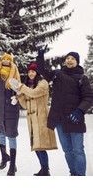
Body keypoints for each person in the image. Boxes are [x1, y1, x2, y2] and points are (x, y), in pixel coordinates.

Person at [36, 48, 93, 176]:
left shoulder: (82, 78)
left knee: (78, 150)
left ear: (77, 62)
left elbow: (89, 98)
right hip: (59, 120)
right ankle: (73, 173)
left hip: (75, 119)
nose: (69, 60)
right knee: (67, 150)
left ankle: (80, 176)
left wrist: (79, 111)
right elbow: (42, 72)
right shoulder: (57, 74)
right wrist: (40, 57)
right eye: (68, 58)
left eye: (72, 58)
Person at [9, 62, 57, 176]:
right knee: (36, 146)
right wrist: (19, 96)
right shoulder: (29, 85)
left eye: (33, 71)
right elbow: (26, 105)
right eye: (29, 72)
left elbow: (34, 93)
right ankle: (43, 169)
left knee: (41, 146)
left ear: (37, 72)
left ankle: (46, 170)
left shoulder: (43, 83)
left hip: (41, 118)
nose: (30, 73)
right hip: (32, 120)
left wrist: (20, 87)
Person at [0, 52, 21, 176]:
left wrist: (17, 98)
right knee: (1, 133)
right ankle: (5, 157)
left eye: (8, 59)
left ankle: (12, 165)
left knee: (11, 136)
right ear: (1, 61)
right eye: (4, 58)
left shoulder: (15, 76)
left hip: (11, 110)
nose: (6, 60)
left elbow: (20, 91)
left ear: (11, 62)